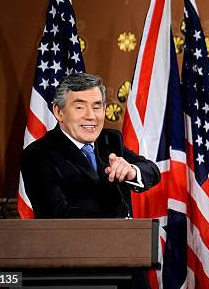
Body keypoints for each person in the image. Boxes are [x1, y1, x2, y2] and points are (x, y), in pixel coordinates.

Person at [21, 73, 160, 218]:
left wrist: (132, 171)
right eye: (80, 107)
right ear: (58, 111)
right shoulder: (37, 154)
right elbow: (56, 214)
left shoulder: (110, 140)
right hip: (74, 240)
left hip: (123, 239)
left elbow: (152, 170)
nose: (90, 116)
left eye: (96, 107)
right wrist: (117, 225)